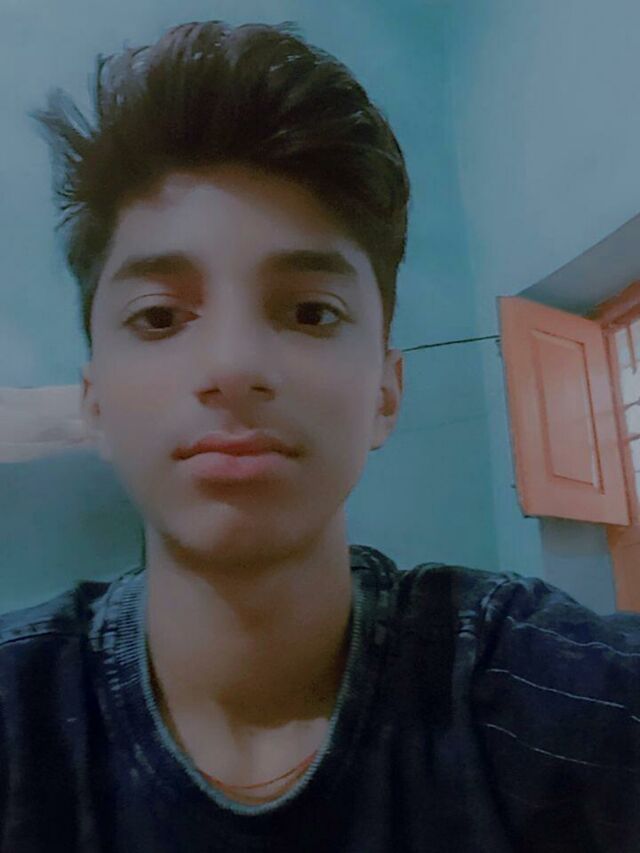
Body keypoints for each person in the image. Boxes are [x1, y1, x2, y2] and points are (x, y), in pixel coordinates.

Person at [0, 19, 638, 852]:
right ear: (94, 404)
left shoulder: (532, 686)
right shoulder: (21, 716)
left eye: (309, 311)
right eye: (158, 316)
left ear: (385, 392)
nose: (232, 365)